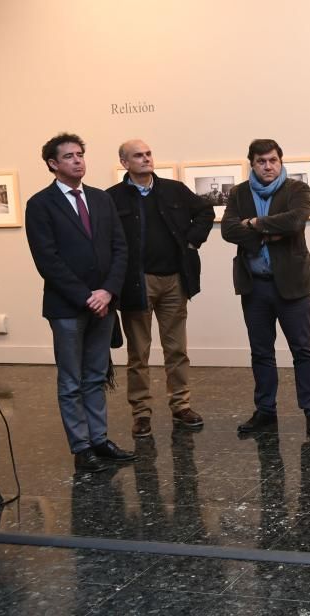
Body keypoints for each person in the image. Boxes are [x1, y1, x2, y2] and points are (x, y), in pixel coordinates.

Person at [25, 133, 136, 472]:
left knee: (95, 376)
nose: (77, 161)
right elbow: (48, 259)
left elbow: (120, 248)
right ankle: (81, 447)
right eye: (69, 156)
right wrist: (86, 296)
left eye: (80, 155)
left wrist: (107, 292)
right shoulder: (40, 204)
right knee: (71, 381)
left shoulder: (101, 200)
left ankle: (99, 440)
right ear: (53, 164)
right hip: (68, 307)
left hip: (104, 302)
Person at [107, 140, 215, 438]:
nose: (145, 159)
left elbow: (206, 211)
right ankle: (141, 413)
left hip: (174, 281)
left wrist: (192, 240)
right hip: (136, 283)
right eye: (138, 156)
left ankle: (181, 405)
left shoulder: (173, 189)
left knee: (176, 349)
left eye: (148, 154)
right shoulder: (112, 198)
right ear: (124, 162)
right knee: (138, 353)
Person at [221, 138, 310, 436]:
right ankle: (265, 411)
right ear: (251, 163)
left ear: (280, 161)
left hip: (292, 285)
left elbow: (295, 222)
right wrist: (265, 233)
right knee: (261, 352)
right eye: (261, 161)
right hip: (255, 286)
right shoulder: (240, 193)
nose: (268, 166)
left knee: (302, 349)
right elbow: (229, 229)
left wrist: (252, 223)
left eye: (273, 160)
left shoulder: (296, 189)